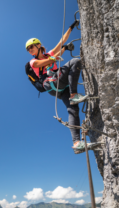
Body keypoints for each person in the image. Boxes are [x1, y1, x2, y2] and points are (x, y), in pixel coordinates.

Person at [25, 20, 89, 154]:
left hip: (58, 88)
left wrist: (72, 26)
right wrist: (53, 59)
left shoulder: (49, 54)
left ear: (38, 46)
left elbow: (62, 41)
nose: (30, 50)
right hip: (50, 83)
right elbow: (39, 64)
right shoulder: (33, 61)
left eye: (32, 47)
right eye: (28, 49)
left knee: (73, 109)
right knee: (75, 61)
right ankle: (74, 94)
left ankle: (76, 143)